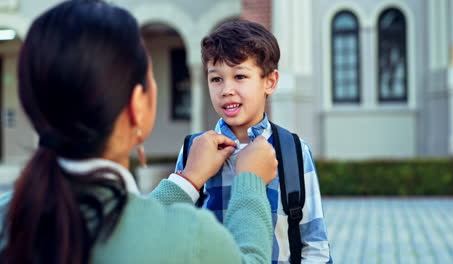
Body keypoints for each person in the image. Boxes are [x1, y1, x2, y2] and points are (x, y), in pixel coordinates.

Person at [0, 1, 278, 263]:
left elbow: (126, 222)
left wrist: (188, 181)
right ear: (137, 106)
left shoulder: (10, 215)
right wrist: (250, 182)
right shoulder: (191, 238)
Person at [174, 20, 332, 263]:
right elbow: (173, 232)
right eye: (216, 79)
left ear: (269, 82)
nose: (226, 89)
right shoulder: (194, 150)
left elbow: (314, 245)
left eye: (239, 76)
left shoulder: (293, 152)